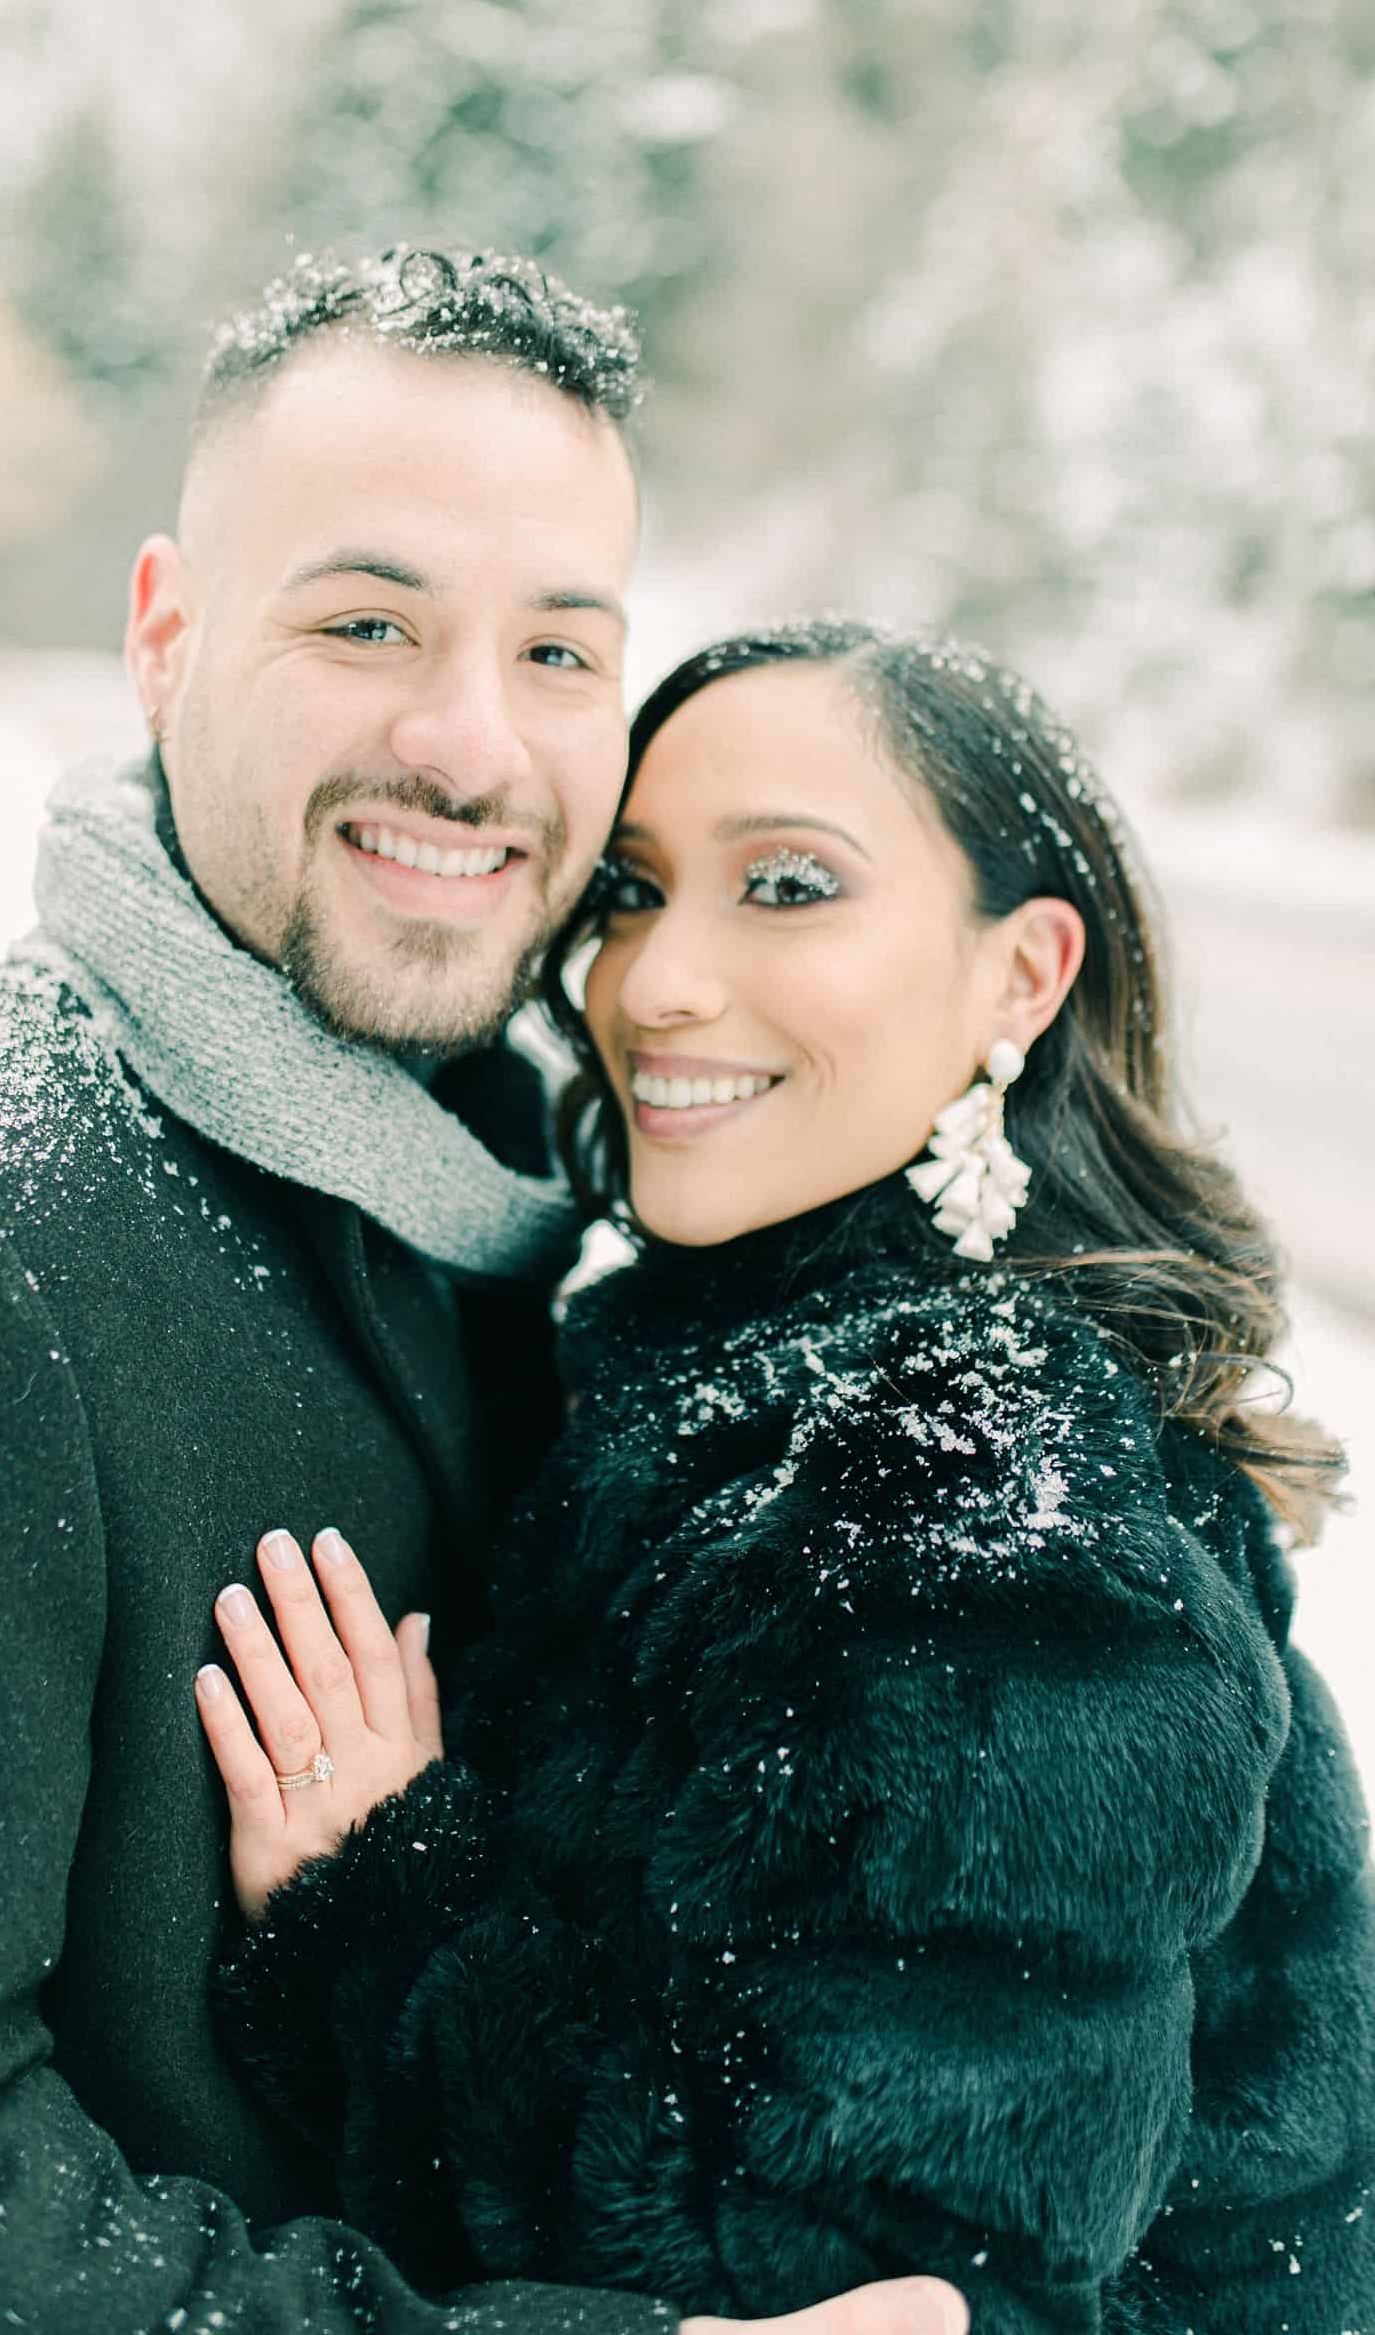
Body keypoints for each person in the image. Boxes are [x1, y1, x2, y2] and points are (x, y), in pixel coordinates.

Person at [0, 253, 964, 2335]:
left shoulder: (540, 1202)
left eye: (557, 652)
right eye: (363, 624)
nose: (467, 746)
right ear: (164, 635)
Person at [195, 622, 1375, 2331]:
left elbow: (833, 2291)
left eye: (790, 888)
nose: (656, 981)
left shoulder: (978, 1504)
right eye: (631, 892)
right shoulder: (758, 1378)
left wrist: (379, 1891)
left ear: (1022, 977)